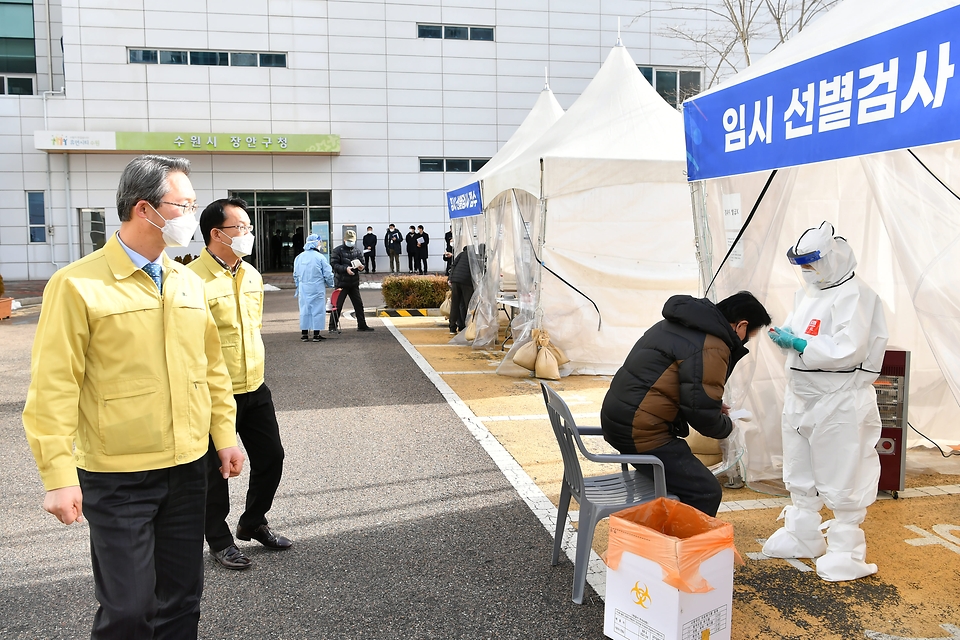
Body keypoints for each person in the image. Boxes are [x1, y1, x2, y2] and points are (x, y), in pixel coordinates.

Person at [22, 155, 243, 639]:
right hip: (117, 475)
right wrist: (59, 476)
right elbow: (53, 387)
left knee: (182, 601)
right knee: (128, 609)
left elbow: (211, 368)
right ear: (145, 209)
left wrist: (224, 435)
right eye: (183, 205)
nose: (191, 214)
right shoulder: (77, 284)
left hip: (188, 467)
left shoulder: (187, 282)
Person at [762, 222, 888, 582]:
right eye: (801, 264)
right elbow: (799, 330)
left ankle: (846, 549)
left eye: (811, 263)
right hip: (802, 393)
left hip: (839, 397)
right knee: (800, 468)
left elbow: (851, 348)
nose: (806, 271)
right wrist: (787, 337)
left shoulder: (858, 295)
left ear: (833, 258)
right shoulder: (809, 292)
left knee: (843, 471)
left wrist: (803, 346)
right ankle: (803, 532)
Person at [600, 292, 771, 517]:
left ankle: (669, 534)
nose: (746, 340)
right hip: (641, 433)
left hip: (618, 421)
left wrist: (710, 404)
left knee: (687, 475)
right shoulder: (713, 344)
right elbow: (704, 419)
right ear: (741, 325)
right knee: (706, 491)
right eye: (750, 335)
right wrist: (728, 426)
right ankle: (680, 548)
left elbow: (671, 383)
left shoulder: (674, 324)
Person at [191, 198, 293, 572]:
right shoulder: (191, 279)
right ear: (217, 233)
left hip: (254, 385)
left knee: (272, 457)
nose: (248, 234)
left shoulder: (251, 274)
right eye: (241, 228)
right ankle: (219, 540)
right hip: (213, 391)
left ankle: (253, 521)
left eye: (249, 227)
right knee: (215, 472)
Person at [293, 233, 335, 342]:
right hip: (317, 287)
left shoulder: (299, 257)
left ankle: (304, 334)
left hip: (303, 287)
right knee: (317, 310)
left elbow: (295, 274)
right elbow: (328, 273)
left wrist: (298, 285)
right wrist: (331, 284)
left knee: (305, 309)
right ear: (317, 243)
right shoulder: (320, 257)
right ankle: (316, 334)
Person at [330, 229, 375, 332]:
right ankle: (332, 326)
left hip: (353, 282)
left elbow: (362, 263)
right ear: (344, 239)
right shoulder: (337, 250)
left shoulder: (357, 251)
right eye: (349, 240)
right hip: (341, 282)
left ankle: (362, 325)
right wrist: (345, 269)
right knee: (338, 305)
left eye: (352, 240)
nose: (351, 242)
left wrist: (361, 267)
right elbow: (334, 265)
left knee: (358, 304)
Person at [448, 246, 474, 334]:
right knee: (468, 305)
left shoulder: (461, 254)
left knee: (455, 304)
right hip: (466, 281)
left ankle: (452, 327)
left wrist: (450, 278)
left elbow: (453, 265)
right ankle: (468, 327)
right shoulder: (474, 255)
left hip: (455, 280)